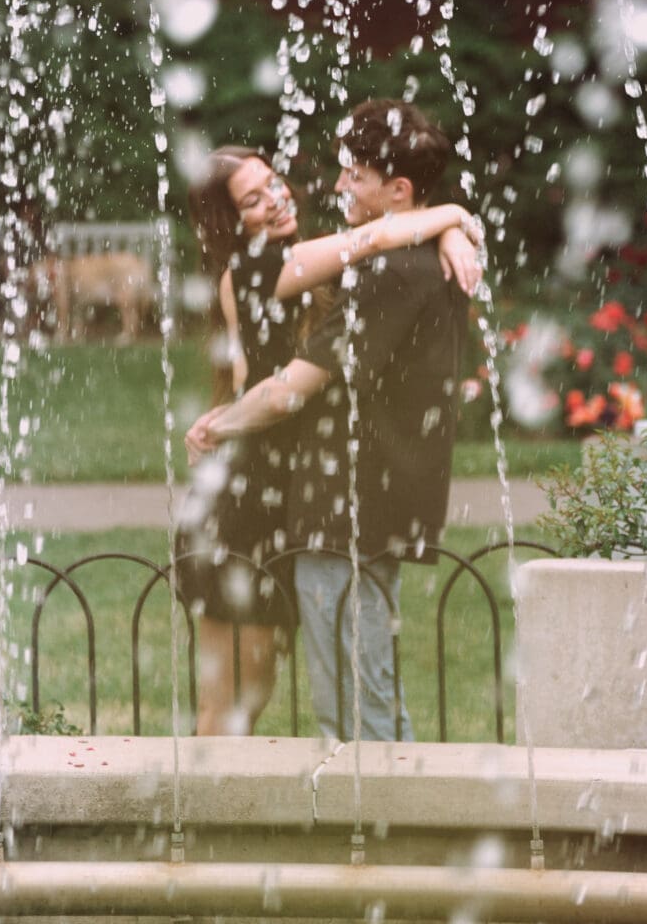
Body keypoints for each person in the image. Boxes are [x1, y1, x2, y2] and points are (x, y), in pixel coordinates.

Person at [186, 101, 476, 744]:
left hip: (294, 499)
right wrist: (452, 217)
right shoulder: (258, 268)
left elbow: (384, 237)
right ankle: (202, 811)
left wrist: (448, 228)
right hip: (248, 506)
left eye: (273, 184)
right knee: (235, 704)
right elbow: (374, 238)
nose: (276, 200)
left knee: (316, 695)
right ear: (231, 222)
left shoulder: (305, 255)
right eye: (253, 200)